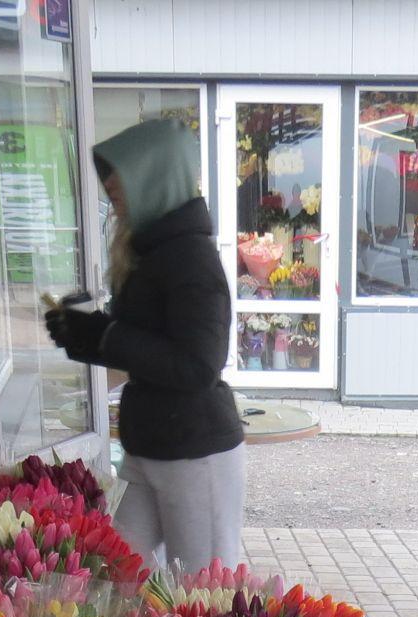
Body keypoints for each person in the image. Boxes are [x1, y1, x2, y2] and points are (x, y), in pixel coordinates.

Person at [45, 118, 245, 570]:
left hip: (195, 453)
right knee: (114, 576)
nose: (109, 183)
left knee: (204, 599)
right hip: (153, 447)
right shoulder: (152, 252)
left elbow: (198, 365)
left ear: (153, 174)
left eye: (120, 171)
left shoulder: (189, 257)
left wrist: (105, 334)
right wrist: (82, 334)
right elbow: (142, 346)